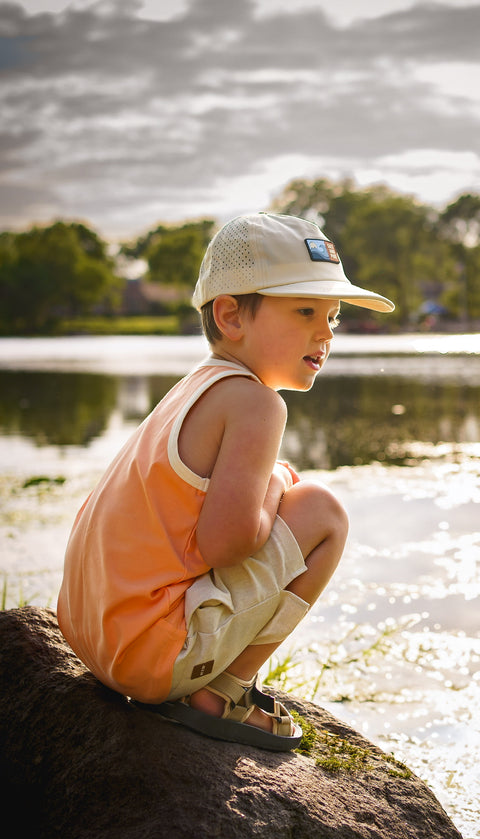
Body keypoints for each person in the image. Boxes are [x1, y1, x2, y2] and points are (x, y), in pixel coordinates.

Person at [57, 212, 394, 751]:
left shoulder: (194, 388)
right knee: (323, 513)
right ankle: (221, 692)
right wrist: (275, 487)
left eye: (333, 315)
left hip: (94, 639)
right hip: (148, 659)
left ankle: (204, 678)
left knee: (289, 489)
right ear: (231, 315)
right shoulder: (257, 403)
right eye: (305, 310)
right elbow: (228, 543)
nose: (327, 331)